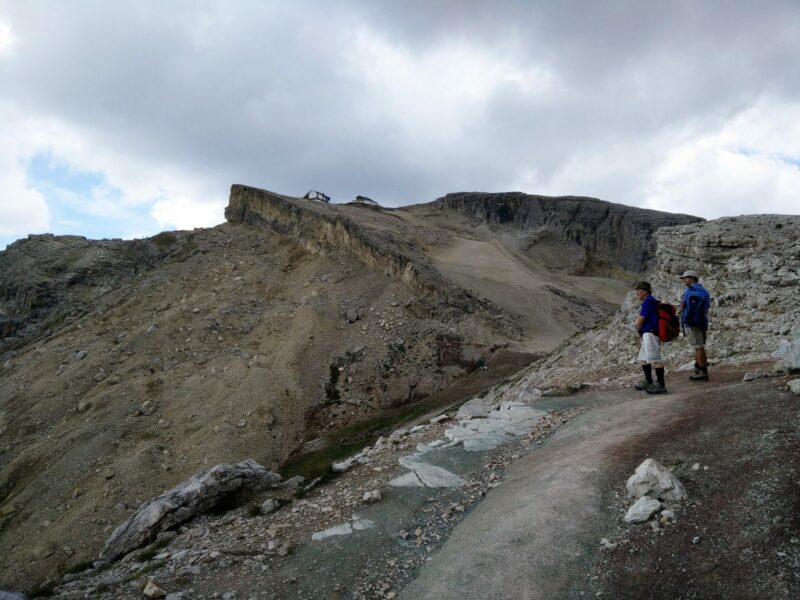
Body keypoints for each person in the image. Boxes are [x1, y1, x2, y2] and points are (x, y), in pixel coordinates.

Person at [633, 281, 667, 394]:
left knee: (655, 359)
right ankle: (649, 381)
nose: (637, 293)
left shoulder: (648, 302)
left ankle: (661, 385)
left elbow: (641, 319)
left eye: (639, 290)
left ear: (645, 291)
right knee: (643, 358)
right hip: (647, 333)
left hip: (650, 333)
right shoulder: (651, 301)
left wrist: (637, 327)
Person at [679, 270, 711, 381]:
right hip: (702, 321)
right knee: (700, 345)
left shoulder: (690, 291)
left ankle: (702, 372)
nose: (683, 280)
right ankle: (699, 367)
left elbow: (683, 307)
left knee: (698, 347)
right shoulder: (704, 291)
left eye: (685, 278)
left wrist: (682, 310)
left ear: (692, 278)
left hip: (692, 322)